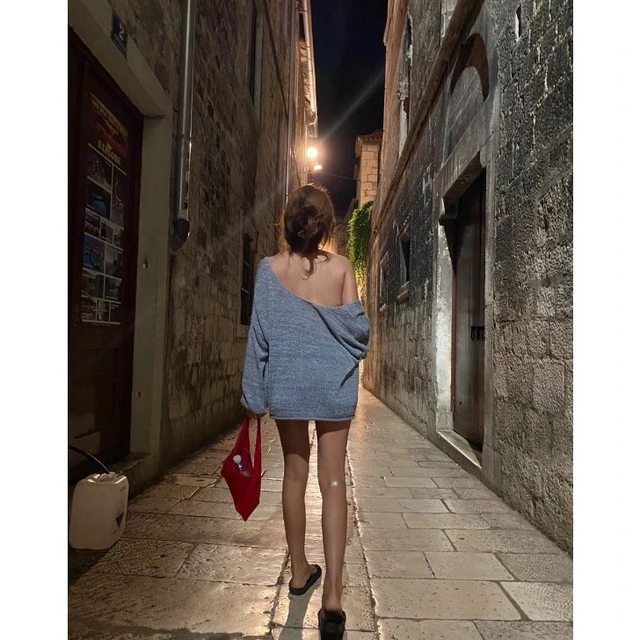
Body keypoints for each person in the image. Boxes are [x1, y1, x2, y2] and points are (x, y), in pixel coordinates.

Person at [240, 184, 370, 638]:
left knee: (294, 475)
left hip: (287, 386)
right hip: (333, 387)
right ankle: (333, 599)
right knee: (333, 481)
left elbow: (258, 339)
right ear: (326, 225)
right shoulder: (342, 268)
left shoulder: (268, 270)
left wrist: (253, 397)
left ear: (288, 222)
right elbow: (359, 333)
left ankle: (299, 573)